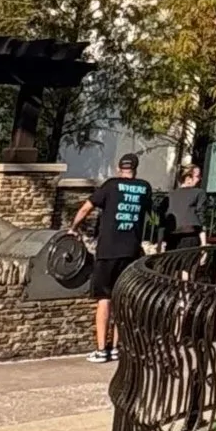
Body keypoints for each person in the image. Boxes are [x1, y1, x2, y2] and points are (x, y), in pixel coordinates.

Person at [69, 153, 153, 362]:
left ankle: (101, 350)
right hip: (131, 251)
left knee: (104, 300)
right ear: (135, 168)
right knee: (121, 299)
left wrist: (73, 227)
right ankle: (115, 347)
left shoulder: (111, 185)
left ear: (119, 168)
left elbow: (87, 208)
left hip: (108, 251)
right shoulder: (144, 188)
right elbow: (152, 215)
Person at [164, 162, 206, 251]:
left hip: (172, 237)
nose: (200, 179)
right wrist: (204, 244)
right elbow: (200, 218)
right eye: (197, 176)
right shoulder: (199, 193)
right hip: (190, 236)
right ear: (188, 178)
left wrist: (160, 243)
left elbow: (163, 220)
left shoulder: (170, 195)